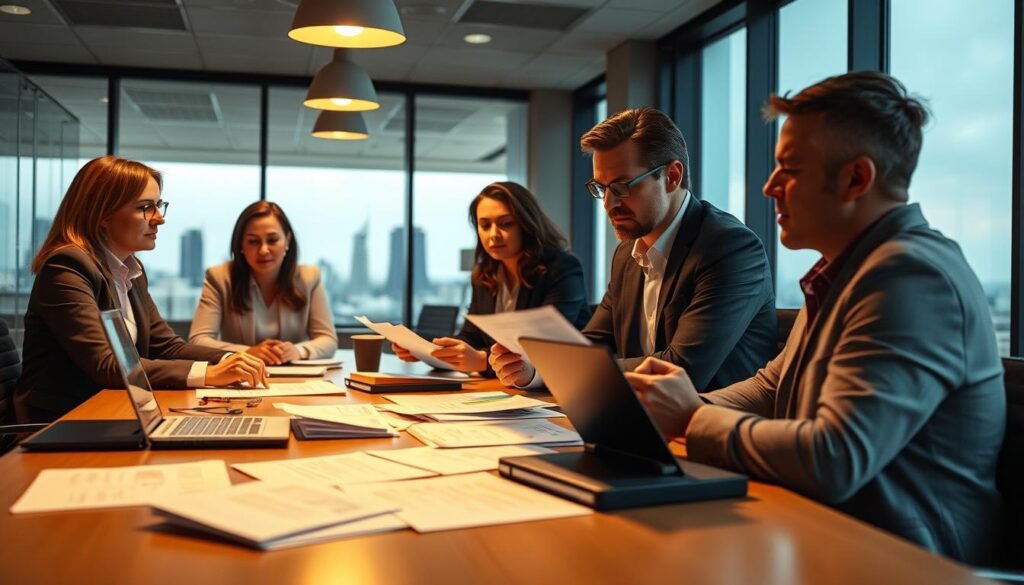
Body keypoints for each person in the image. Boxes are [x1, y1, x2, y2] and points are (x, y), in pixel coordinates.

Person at [624, 72, 1005, 564]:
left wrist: (692, 417)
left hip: (902, 561)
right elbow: (770, 387)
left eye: (790, 169)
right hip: (828, 531)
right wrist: (663, 408)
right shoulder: (850, 269)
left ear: (856, 179)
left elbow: (836, 456)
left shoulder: (910, 277)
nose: (769, 187)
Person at [492, 107, 776, 390]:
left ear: (672, 176)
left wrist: (569, 367)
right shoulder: (627, 254)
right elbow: (591, 345)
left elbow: (681, 369)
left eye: (623, 186)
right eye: (601, 188)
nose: (608, 204)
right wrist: (534, 369)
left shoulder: (729, 248)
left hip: (710, 425)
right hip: (638, 416)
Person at [14, 156, 268, 424]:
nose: (159, 219)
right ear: (102, 214)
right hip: (61, 424)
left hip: (113, 414)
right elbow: (108, 365)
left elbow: (166, 347)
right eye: (146, 207)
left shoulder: (131, 271)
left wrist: (234, 359)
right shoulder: (67, 267)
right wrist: (209, 373)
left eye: (159, 206)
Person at [393, 181, 590, 376]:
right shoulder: (484, 274)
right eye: (485, 225)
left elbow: (545, 345)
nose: (493, 235)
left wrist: (481, 361)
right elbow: (471, 336)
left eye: (505, 224)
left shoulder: (562, 268)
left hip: (559, 387)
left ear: (527, 224)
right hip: (505, 389)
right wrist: (427, 350)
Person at [189, 201, 337, 364]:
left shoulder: (309, 277)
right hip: (238, 378)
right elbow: (198, 341)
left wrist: (298, 350)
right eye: (253, 241)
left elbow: (328, 340)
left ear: (287, 240)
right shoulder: (219, 277)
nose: (263, 250)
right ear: (241, 246)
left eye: (272, 240)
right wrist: (248, 352)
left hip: (296, 377)